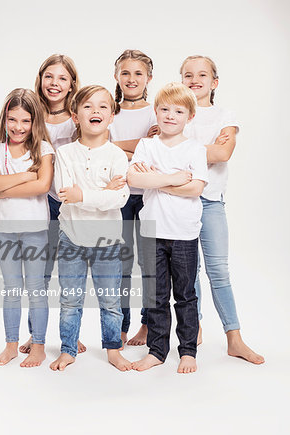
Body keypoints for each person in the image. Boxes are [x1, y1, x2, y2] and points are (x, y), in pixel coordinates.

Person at [180, 55, 264, 364]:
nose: (194, 79)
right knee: (189, 272)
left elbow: (223, 152)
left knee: (218, 270)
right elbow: (168, 153)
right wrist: (204, 149)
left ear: (214, 83)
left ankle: (234, 338)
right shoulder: (175, 113)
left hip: (211, 200)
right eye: (187, 74)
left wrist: (182, 149)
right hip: (179, 202)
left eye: (202, 75)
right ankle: (195, 328)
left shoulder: (224, 114)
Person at [50, 85, 132, 372]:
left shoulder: (117, 156)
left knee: (110, 301)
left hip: (107, 241)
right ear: (75, 116)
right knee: (70, 300)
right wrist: (102, 192)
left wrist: (83, 195)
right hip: (71, 237)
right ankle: (68, 349)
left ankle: (113, 349)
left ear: (111, 116)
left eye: (102, 107)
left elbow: (119, 198)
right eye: (87, 106)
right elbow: (64, 194)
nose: (95, 111)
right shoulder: (64, 154)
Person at [128, 82, 208, 373]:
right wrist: (174, 177)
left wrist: (158, 180)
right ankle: (157, 350)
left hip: (184, 233)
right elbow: (135, 180)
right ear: (156, 111)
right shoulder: (147, 146)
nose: (170, 115)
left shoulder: (195, 149)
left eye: (178, 111)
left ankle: (188, 351)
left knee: (185, 295)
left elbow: (196, 188)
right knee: (156, 296)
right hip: (152, 232)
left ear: (190, 116)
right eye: (164, 109)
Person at [20, 54, 87, 354]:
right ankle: (36, 336)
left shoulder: (80, 115)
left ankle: (70, 334)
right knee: (40, 275)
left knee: (72, 276)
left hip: (72, 206)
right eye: (49, 76)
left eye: (62, 78)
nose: (55, 83)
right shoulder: (31, 115)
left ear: (72, 83)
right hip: (40, 203)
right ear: (40, 79)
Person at [0, 88, 54, 367]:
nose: (18, 127)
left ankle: (38, 345)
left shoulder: (43, 149)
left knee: (36, 288)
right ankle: (11, 344)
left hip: (35, 229)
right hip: (6, 229)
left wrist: (7, 187)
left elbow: (43, 185)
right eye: (12, 120)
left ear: (35, 122)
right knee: (11, 288)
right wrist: (25, 175)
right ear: (4, 119)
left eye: (25, 121)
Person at [109, 49, 158, 347]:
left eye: (138, 73)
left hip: (152, 195)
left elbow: (158, 152)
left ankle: (147, 324)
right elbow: (103, 147)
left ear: (148, 78)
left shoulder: (157, 111)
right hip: (121, 197)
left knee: (151, 264)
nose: (131, 79)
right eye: (125, 72)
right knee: (122, 264)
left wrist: (118, 147)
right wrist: (141, 145)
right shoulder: (109, 111)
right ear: (116, 76)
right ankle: (122, 325)